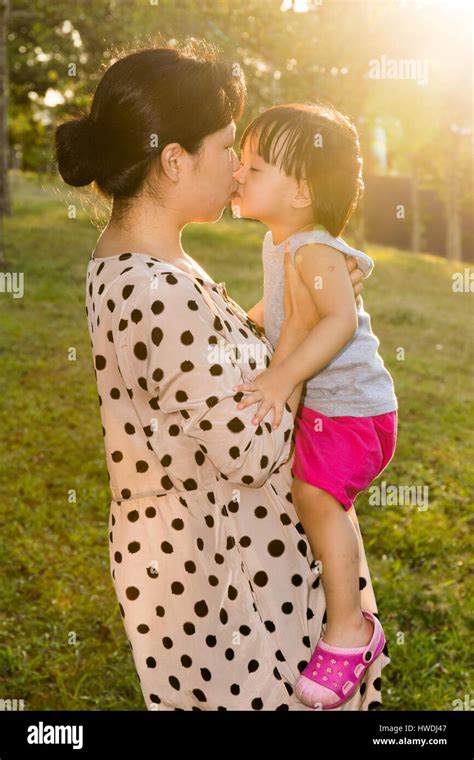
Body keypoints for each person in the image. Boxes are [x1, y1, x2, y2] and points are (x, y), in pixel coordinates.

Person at [55, 42, 389, 710]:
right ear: (174, 159)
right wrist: (302, 323)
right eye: (229, 146)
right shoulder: (153, 289)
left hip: (242, 559)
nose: (239, 167)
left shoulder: (162, 265)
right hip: (225, 584)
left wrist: (312, 301)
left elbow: (230, 379)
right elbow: (250, 449)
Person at [232, 102, 398, 709]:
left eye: (254, 165)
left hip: (355, 411)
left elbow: (338, 320)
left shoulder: (312, 248)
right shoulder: (284, 244)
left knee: (317, 498)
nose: (239, 173)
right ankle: (339, 619)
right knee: (309, 497)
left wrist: (282, 380)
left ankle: (351, 631)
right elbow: (274, 314)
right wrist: (236, 321)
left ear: (301, 190)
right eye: (240, 160)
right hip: (336, 411)